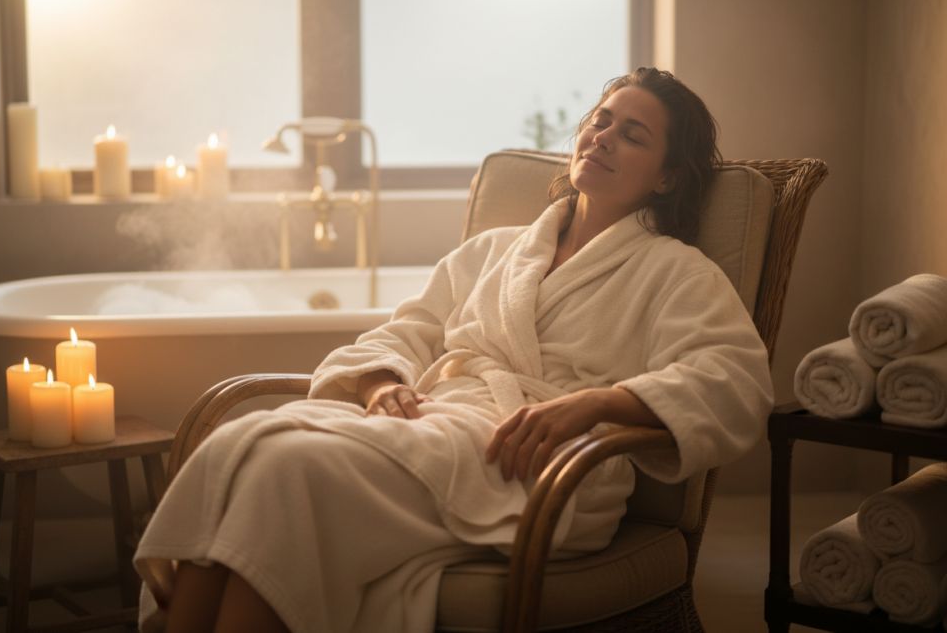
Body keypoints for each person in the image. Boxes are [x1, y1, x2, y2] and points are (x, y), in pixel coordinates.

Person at [134, 67, 775, 633]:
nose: (603, 136)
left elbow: (735, 382)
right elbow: (403, 333)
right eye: (601, 121)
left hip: (545, 466)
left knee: (288, 468)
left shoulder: (676, 273)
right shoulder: (494, 251)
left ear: (667, 177)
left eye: (632, 134)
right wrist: (377, 384)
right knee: (241, 445)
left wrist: (593, 405)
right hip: (439, 423)